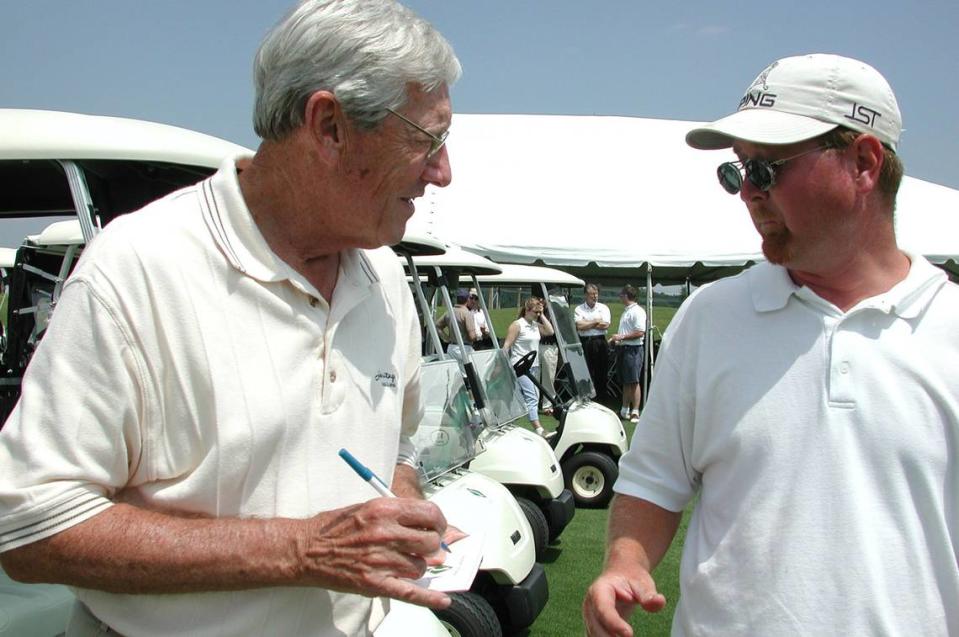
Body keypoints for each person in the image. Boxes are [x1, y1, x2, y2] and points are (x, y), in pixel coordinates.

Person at [0, 2, 463, 635]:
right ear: (328, 125)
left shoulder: (382, 276)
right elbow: (28, 527)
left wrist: (402, 500)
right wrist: (303, 549)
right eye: (427, 140)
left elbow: (397, 444)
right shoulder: (138, 267)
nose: (442, 172)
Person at [584, 53, 959, 637]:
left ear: (864, 161)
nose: (746, 193)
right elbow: (652, 482)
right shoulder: (708, 318)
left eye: (766, 170)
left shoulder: (951, 325)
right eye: (738, 171)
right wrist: (624, 563)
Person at [502, 297, 554, 438]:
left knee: (526, 398)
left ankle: (507, 425)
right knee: (532, 397)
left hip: (534, 366)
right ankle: (539, 429)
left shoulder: (535, 325)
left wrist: (542, 315)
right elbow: (506, 347)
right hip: (520, 366)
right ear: (527, 310)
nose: (537, 315)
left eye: (539, 313)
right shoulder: (517, 325)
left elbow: (550, 332)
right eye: (535, 312)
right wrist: (504, 366)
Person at [608, 284, 645, 423]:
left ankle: (635, 411)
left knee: (634, 381)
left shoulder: (637, 311)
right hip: (624, 348)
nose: (619, 297)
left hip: (633, 349)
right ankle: (624, 410)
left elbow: (640, 332)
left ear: (626, 296)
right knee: (625, 381)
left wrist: (621, 337)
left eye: (621, 295)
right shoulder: (626, 311)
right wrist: (616, 339)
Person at [574, 283, 611, 401]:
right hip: (585, 342)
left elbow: (605, 325)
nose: (595, 296)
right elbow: (579, 326)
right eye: (592, 294)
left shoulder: (603, 308)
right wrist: (595, 321)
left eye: (596, 294)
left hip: (600, 341)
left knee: (601, 371)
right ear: (586, 295)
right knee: (586, 371)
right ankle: (586, 397)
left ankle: (601, 398)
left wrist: (587, 323)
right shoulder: (579, 309)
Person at [435, 288, 479, 361]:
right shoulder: (466, 314)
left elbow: (437, 326)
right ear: (467, 299)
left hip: (451, 348)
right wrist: (479, 335)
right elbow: (472, 336)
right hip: (465, 349)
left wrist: (446, 338)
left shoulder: (449, 312)